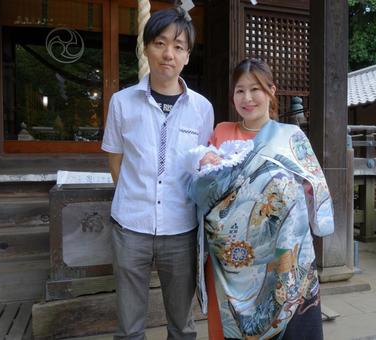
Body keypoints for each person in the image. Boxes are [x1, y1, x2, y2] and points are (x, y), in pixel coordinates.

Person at [189, 58, 334, 339]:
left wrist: (291, 194)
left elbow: (313, 184)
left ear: (271, 91)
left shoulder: (291, 136)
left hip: (278, 253)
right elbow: (205, 189)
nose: (247, 98)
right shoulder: (221, 132)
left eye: (255, 89)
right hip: (228, 256)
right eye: (239, 90)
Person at [101, 7, 214, 340]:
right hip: (130, 227)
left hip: (180, 230)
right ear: (146, 48)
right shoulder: (121, 103)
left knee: (182, 325)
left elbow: (202, 167)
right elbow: (115, 162)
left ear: (187, 56)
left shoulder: (202, 109)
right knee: (129, 326)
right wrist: (137, 199)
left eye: (178, 47)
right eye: (161, 43)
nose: (169, 54)